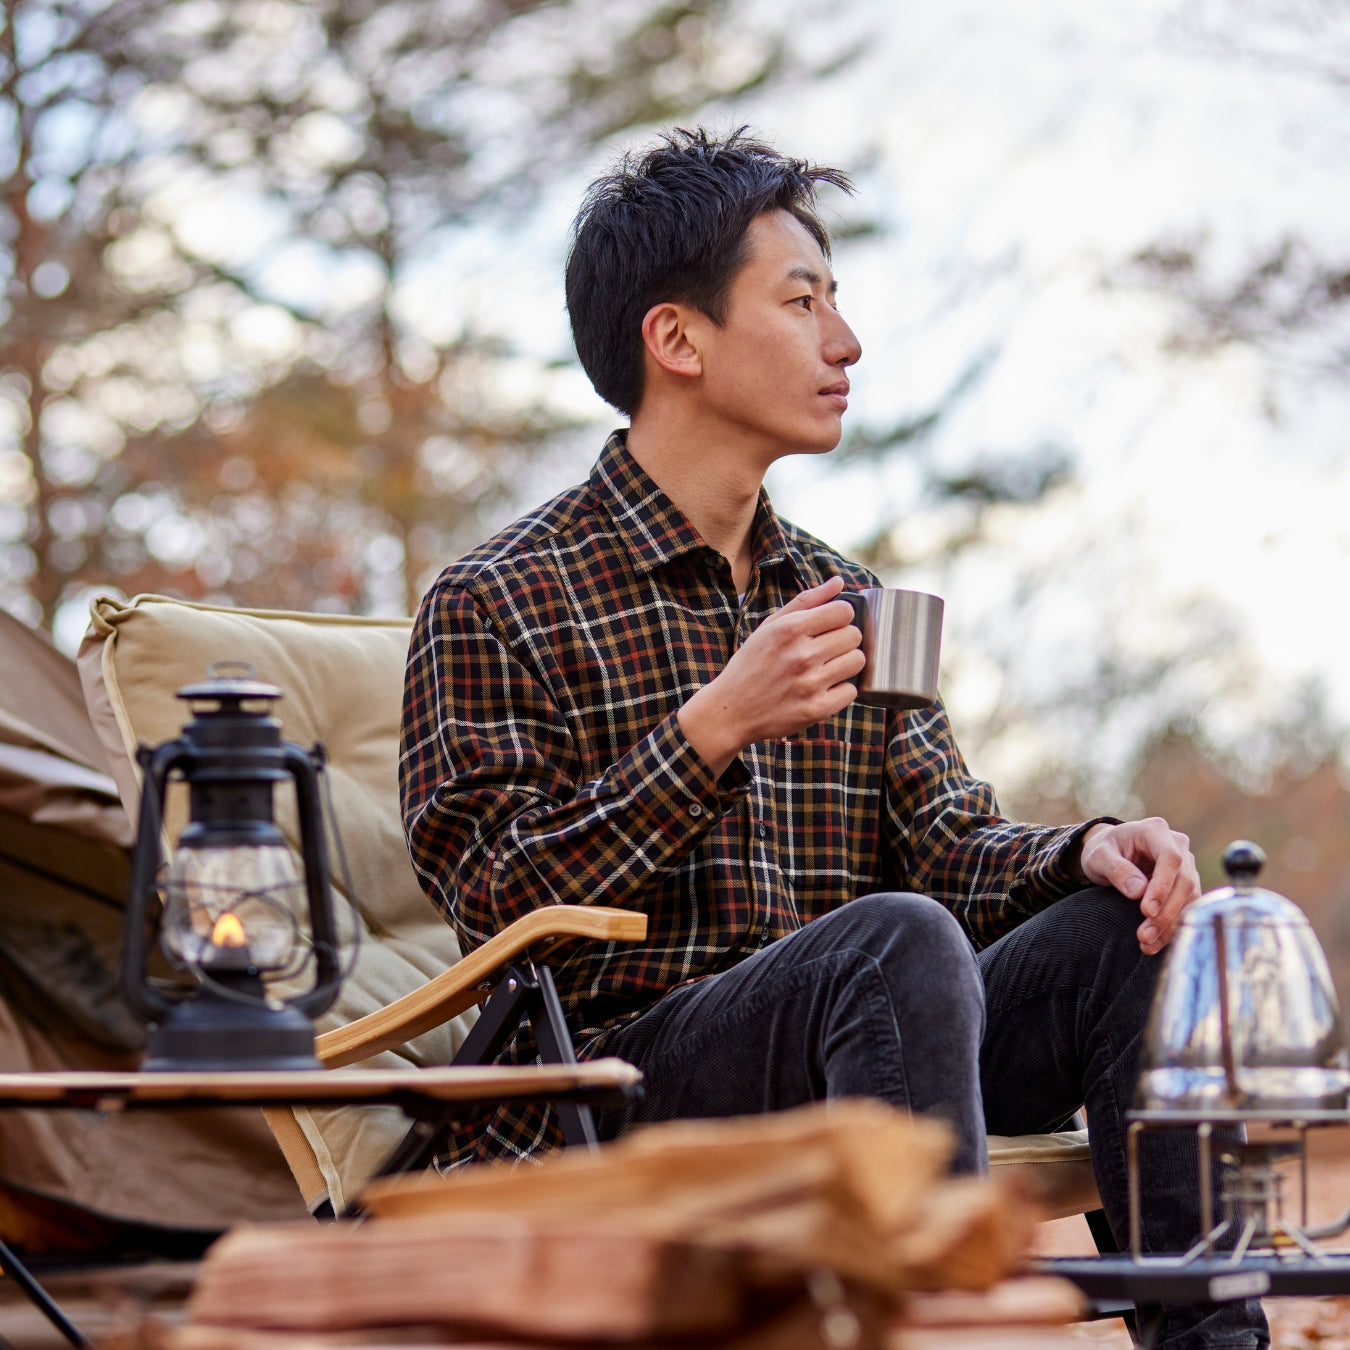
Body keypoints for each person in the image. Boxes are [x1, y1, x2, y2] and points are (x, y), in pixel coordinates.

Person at [399, 128, 1267, 1349]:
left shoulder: (845, 594)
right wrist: (710, 730)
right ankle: (945, 1335)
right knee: (892, 943)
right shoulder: (497, 598)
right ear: (679, 339)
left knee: (1135, 927)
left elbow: (950, 846)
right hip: (627, 1079)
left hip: (884, 1030)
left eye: (837, 303)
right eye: (801, 303)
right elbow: (496, 907)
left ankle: (1214, 1344)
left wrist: (1089, 849)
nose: (845, 343)